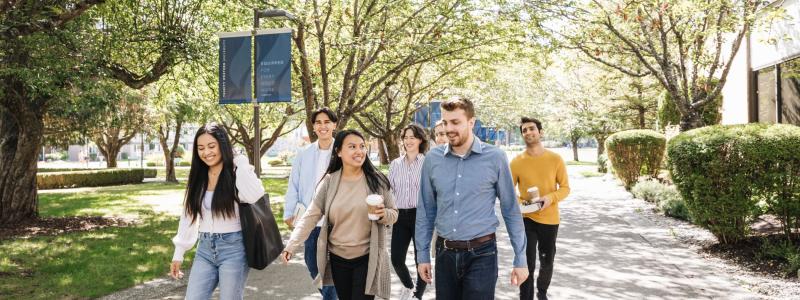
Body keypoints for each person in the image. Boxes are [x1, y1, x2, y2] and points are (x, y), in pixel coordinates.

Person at [415, 97, 529, 299]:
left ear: (471, 122)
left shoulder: (495, 157)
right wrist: (422, 255)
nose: (449, 128)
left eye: (455, 122)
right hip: (445, 254)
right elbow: (426, 210)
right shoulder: (432, 159)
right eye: (445, 122)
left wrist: (521, 258)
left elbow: (510, 210)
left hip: (482, 254)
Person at [281, 130, 398, 300]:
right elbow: (311, 216)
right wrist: (291, 245)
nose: (359, 151)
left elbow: (394, 214)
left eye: (362, 146)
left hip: (367, 258)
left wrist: (383, 214)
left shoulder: (377, 180)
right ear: (338, 152)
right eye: (352, 147)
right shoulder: (329, 182)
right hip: (338, 259)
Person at [169, 123, 266, 300]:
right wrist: (179, 253)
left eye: (211, 146)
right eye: (201, 148)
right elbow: (188, 215)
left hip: (234, 248)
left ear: (223, 145)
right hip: (205, 249)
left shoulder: (236, 172)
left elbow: (255, 195)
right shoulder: (199, 176)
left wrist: (241, 162)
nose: (206, 152)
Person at [511, 117, 570, 300]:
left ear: (540, 132)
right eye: (524, 130)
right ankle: (526, 297)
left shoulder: (555, 159)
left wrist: (550, 198)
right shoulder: (516, 162)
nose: (528, 132)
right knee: (526, 262)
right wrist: (524, 202)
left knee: (547, 261)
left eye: (531, 128)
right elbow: (508, 192)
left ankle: (541, 293)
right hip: (527, 219)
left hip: (550, 219)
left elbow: (565, 188)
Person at [284, 107, 339, 299]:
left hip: (336, 223)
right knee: (313, 266)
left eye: (326, 122)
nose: (322, 126)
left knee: (333, 272)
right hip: (310, 222)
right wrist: (289, 212)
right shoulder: (304, 154)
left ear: (334, 125)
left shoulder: (341, 152)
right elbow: (294, 185)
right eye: (318, 123)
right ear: (313, 127)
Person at [388, 124, 428, 300]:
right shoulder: (395, 164)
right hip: (400, 216)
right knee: (396, 259)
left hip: (421, 216)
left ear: (420, 139)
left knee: (422, 259)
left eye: (413, 137)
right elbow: (390, 191)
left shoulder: (428, 163)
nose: (409, 141)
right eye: (406, 137)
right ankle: (409, 286)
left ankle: (417, 295)